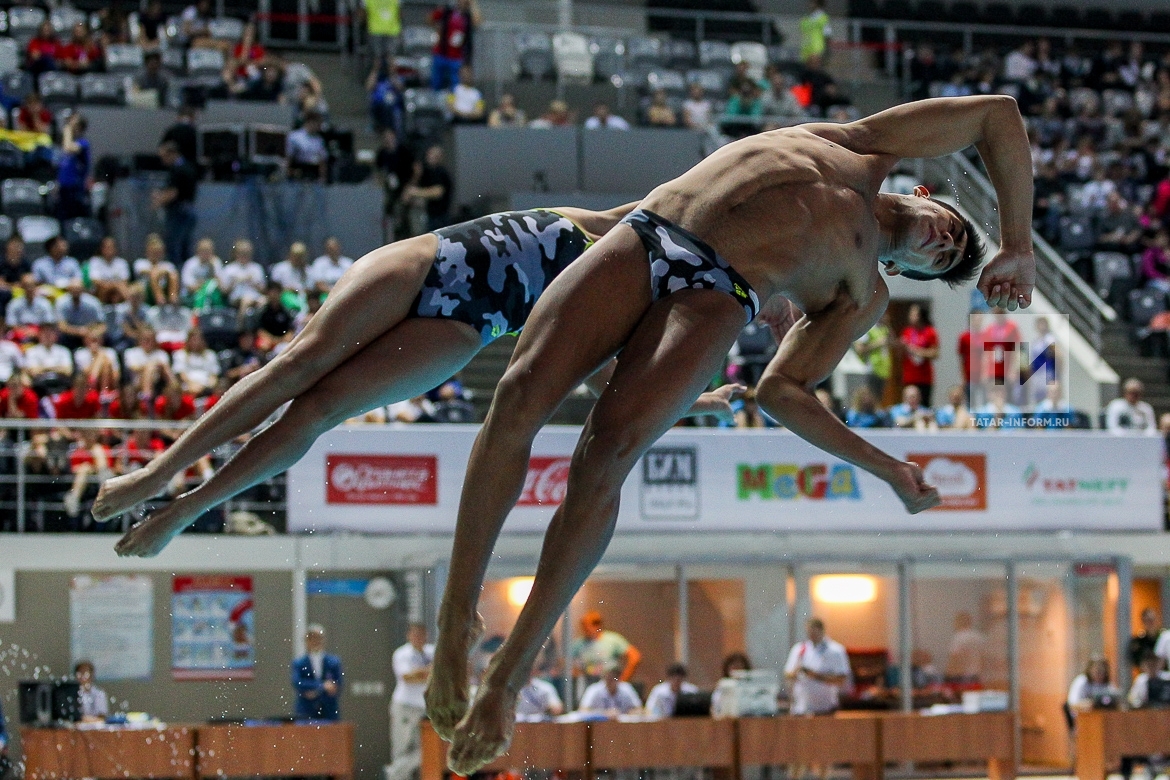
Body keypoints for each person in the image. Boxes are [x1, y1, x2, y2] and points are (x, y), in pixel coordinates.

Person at [426, 94, 1035, 773]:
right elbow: (998, 116)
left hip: (715, 295)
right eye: (950, 227)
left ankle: (507, 679)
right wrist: (1015, 246)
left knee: (608, 454)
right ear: (926, 194)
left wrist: (888, 467)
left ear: (905, 273)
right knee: (516, 398)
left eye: (944, 257)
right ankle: (458, 616)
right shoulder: (863, 145)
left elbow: (782, 391)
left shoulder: (863, 292)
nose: (943, 241)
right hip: (652, 231)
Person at [103, 204, 738, 557]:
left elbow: (608, 381)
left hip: (465, 328)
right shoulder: (629, 223)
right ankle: (158, 473)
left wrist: (697, 401)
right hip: (427, 260)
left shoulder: (626, 308)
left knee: (315, 412)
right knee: (295, 367)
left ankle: (185, 511)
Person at [387, 623, 434, 780]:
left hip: (425, 708)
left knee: (425, 748)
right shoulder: (402, 653)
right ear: (409, 636)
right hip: (405, 706)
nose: (419, 638)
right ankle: (395, 775)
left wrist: (421, 673)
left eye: (422, 635)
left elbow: (441, 673)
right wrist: (428, 671)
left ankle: (397, 772)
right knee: (402, 748)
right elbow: (407, 677)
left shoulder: (431, 652)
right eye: (415, 635)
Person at [785, 618, 850, 715]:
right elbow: (788, 674)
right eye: (809, 633)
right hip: (802, 706)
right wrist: (798, 671)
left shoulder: (835, 651)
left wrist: (815, 675)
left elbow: (841, 679)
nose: (812, 636)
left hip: (826, 706)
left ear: (822, 631)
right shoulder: (800, 649)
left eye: (815, 633)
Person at [154, 141, 199, 268]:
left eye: (164, 157)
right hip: (189, 210)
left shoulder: (177, 170)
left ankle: (176, 278)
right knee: (185, 246)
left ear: (172, 154)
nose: (163, 161)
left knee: (174, 246)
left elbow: (173, 192)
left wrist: (159, 200)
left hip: (179, 212)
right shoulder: (188, 167)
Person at [570, 610, 641, 685]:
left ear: (597, 625)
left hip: (609, 683)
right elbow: (565, 662)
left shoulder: (612, 640)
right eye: (583, 626)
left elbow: (635, 657)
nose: (585, 629)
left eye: (588, 626)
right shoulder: (579, 644)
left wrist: (623, 680)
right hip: (588, 684)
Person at [292, 624, 344, 720]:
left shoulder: (334, 662)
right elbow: (297, 682)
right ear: (306, 641)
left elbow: (337, 685)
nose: (315, 641)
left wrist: (315, 690)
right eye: (312, 638)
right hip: (306, 710)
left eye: (318, 638)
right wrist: (322, 686)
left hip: (329, 710)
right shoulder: (299, 663)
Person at [430, 0, 481, 92]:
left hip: (456, 57)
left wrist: (473, 4)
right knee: (436, 83)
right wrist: (437, 29)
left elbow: (477, 22)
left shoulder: (467, 16)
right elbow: (431, 18)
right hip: (441, 53)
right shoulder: (448, 11)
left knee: (455, 86)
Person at [404, 145, 453, 232]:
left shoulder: (440, 172)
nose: (428, 156)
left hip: (440, 217)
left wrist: (416, 192)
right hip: (431, 215)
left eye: (432, 154)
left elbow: (438, 192)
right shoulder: (429, 173)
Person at [900, 303, 938, 406]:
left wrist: (915, 350)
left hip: (924, 378)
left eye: (913, 314)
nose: (910, 316)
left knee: (924, 405)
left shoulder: (930, 332)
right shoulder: (907, 332)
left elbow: (935, 353)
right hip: (909, 376)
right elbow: (900, 354)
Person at [57, 114, 91, 220]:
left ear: (79, 127)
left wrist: (67, 130)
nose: (69, 124)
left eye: (72, 123)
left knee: (73, 219)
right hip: (64, 188)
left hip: (75, 190)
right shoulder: (65, 144)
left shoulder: (83, 144)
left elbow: (68, 148)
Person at [55, 280, 104, 351]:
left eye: (78, 289)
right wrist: (79, 331)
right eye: (73, 289)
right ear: (68, 290)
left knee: (105, 338)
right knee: (61, 338)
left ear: (83, 289)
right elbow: (61, 326)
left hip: (90, 333)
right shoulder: (61, 303)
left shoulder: (93, 303)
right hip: (70, 335)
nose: (75, 292)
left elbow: (102, 325)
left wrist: (94, 333)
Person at [853, 313, 891, 402]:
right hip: (871, 369)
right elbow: (859, 349)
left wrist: (889, 325)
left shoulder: (883, 329)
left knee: (879, 399)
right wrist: (878, 343)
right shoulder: (868, 328)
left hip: (882, 371)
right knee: (870, 398)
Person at [578, 665, 642, 715]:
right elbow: (583, 709)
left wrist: (629, 712)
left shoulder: (627, 689)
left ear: (618, 678)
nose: (610, 681)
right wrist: (604, 713)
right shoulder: (594, 690)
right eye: (608, 677)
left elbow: (639, 709)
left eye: (613, 678)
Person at [944, 612, 987, 683]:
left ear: (958, 622)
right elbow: (984, 658)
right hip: (978, 675)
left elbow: (954, 658)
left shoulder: (959, 637)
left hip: (963, 676)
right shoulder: (980, 637)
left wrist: (947, 677)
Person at [286, 112, 329, 183]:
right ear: (310, 122)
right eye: (318, 123)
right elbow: (289, 157)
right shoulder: (294, 137)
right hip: (298, 172)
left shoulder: (319, 140)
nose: (319, 126)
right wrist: (288, 173)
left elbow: (323, 161)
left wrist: (322, 178)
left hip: (313, 173)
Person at [87, 237, 131, 305]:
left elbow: (125, 281)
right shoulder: (95, 261)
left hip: (117, 293)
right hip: (101, 292)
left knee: (124, 289)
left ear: (115, 249)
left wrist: (114, 287)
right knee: (104, 289)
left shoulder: (122, 263)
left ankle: (129, 308)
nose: (109, 250)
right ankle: (101, 308)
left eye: (111, 247)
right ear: (102, 249)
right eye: (106, 247)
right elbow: (96, 281)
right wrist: (114, 285)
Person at [799, 0, 832, 66]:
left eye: (812, 2)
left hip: (816, 48)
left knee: (814, 71)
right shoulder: (807, 19)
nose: (809, 3)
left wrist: (827, 51)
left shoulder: (823, 18)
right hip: (806, 48)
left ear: (817, 3)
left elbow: (827, 35)